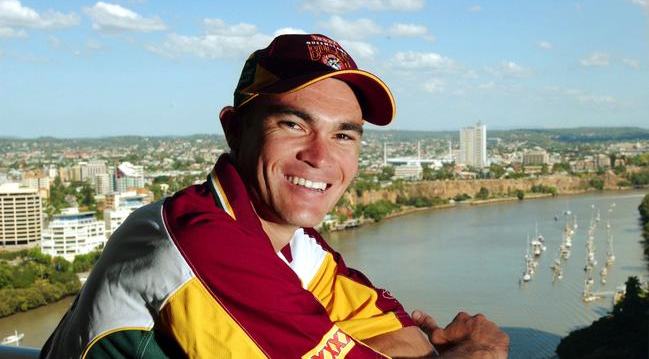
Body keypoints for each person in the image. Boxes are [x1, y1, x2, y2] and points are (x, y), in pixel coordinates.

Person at [41, 34, 508, 359]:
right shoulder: (198, 240)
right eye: (293, 124)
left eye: (345, 136)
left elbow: (408, 338)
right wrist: (480, 351)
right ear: (234, 129)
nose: (320, 156)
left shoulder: (297, 247)